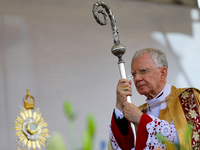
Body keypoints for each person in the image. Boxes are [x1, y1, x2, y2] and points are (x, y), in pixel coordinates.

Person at [108, 48, 200, 150]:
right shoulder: (139, 111)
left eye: (143, 71)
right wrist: (120, 105)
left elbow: (192, 140)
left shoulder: (187, 98)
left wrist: (142, 120)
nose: (137, 78)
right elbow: (123, 147)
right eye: (134, 74)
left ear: (162, 73)